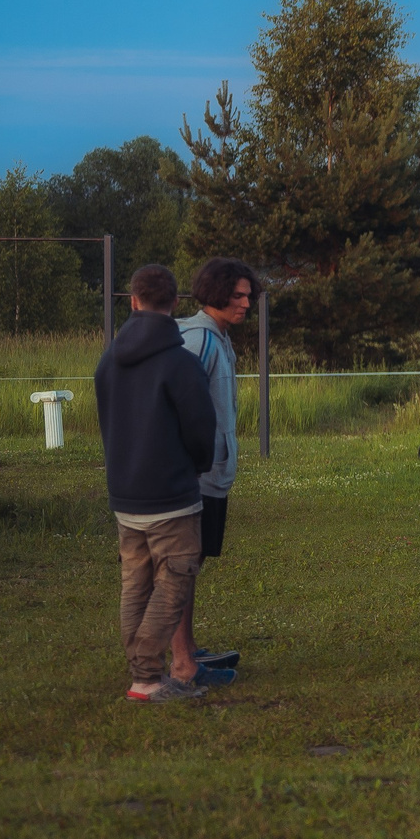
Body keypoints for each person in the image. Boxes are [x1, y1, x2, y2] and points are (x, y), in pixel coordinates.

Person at [97, 264, 220, 703]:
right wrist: (198, 466)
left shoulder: (108, 361)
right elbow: (201, 430)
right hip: (171, 497)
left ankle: (141, 677)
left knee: (135, 585)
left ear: (133, 301)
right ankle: (147, 678)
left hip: (125, 495)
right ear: (176, 303)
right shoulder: (181, 364)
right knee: (173, 583)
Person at [175, 257, 256, 680]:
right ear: (216, 293)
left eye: (248, 295)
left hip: (213, 473)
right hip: (196, 476)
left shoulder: (220, 338)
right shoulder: (198, 341)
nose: (246, 303)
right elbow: (174, 404)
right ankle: (181, 660)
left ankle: (189, 648)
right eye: (238, 295)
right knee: (182, 565)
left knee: (194, 562)